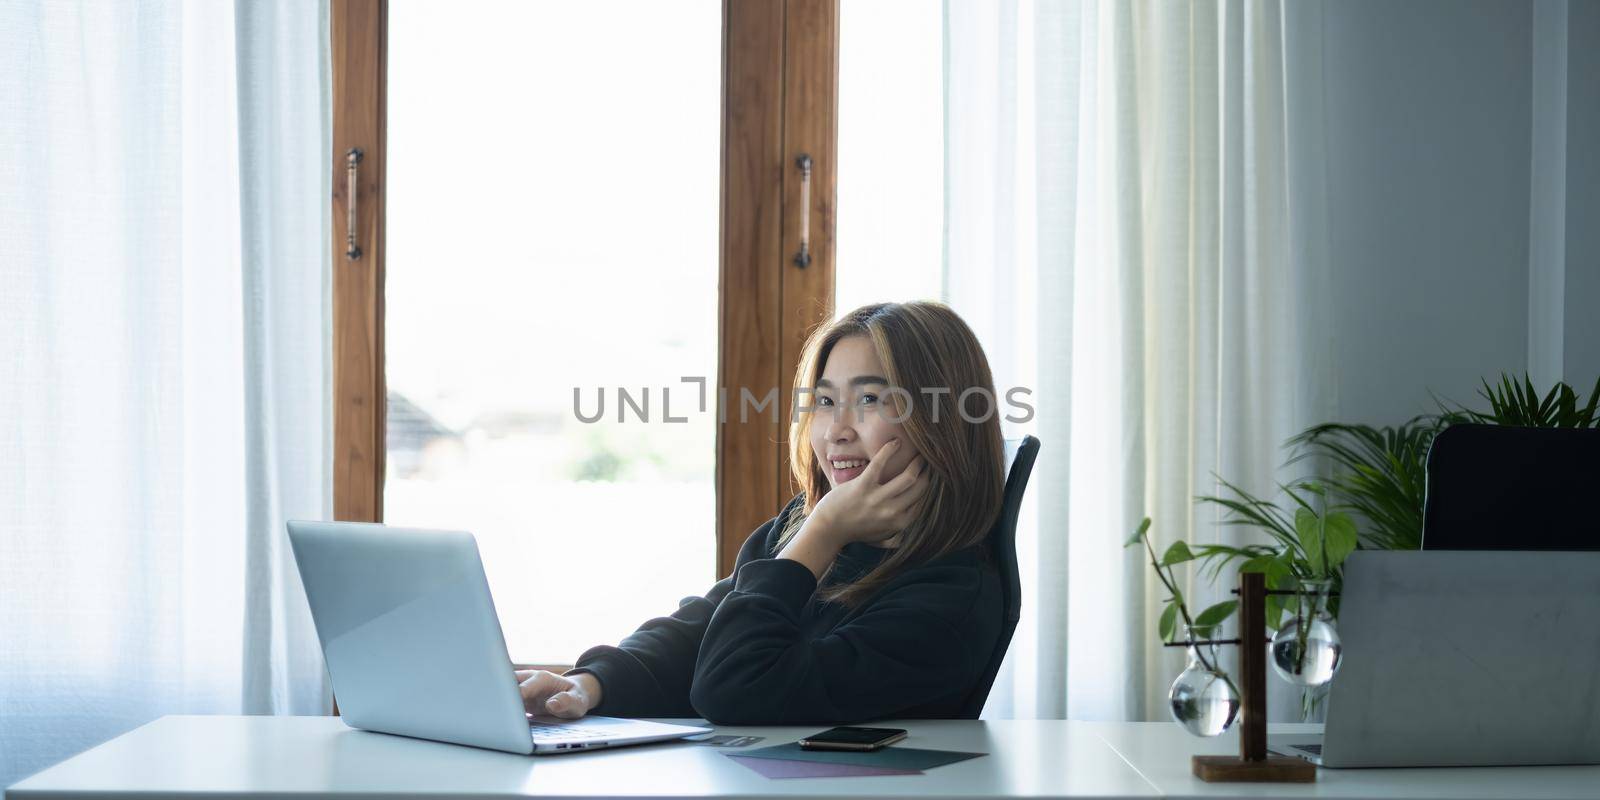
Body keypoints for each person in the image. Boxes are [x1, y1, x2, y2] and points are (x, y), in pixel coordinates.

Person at [516, 301, 1008, 725]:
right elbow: (702, 629)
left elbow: (734, 687)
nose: (835, 430)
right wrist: (589, 684)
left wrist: (823, 531)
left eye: (871, 399)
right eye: (824, 400)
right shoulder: (807, 529)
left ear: (943, 424)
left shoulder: (949, 604)